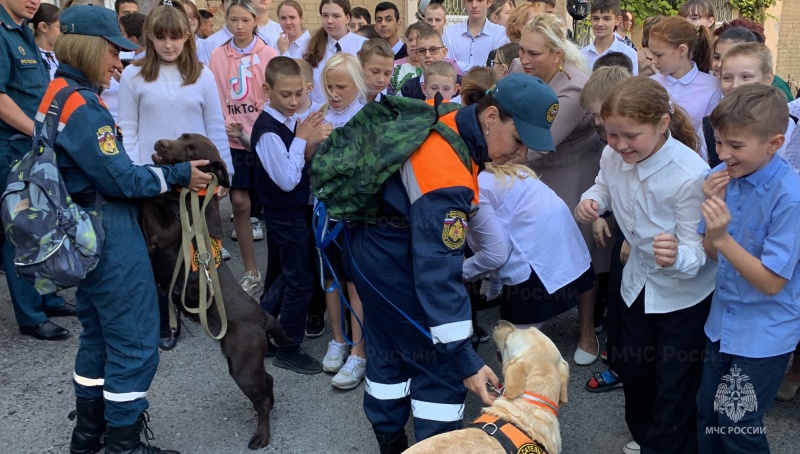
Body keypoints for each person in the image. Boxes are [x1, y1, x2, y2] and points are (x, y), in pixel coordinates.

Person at [345, 72, 556, 452]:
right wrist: (465, 360)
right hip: (395, 265)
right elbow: (438, 272)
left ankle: (389, 439)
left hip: (372, 255)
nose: (521, 154)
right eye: (519, 140)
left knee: (388, 352)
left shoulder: (450, 120)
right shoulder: (446, 171)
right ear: (491, 117)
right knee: (439, 370)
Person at [50, 5, 212, 453]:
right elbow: (120, 177)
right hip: (108, 228)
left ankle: (88, 436)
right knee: (137, 340)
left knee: (99, 335)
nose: (118, 62)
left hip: (81, 226)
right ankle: (124, 445)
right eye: (113, 52)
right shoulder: (84, 106)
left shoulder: (57, 92)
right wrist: (177, 177)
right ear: (88, 47)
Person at [577, 76, 715, 454]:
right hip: (634, 283)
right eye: (611, 134)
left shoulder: (690, 175)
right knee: (635, 373)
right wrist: (592, 201)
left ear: (662, 124)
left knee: (675, 385)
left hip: (681, 297)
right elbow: (604, 185)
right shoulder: (613, 155)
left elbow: (700, 251)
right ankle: (646, 437)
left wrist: (676, 257)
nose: (620, 145)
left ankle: (668, 445)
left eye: (631, 136)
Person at [118, 3, 233, 349]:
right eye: (161, 37)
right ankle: (165, 315)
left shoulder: (202, 74)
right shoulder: (132, 74)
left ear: (187, 36)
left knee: (208, 242)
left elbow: (214, 127)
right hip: (154, 178)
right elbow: (129, 129)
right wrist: (140, 175)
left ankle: (205, 300)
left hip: (198, 175)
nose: (169, 45)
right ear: (150, 37)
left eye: (176, 37)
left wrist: (224, 175)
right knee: (161, 250)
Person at [696, 83, 800, 454]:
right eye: (719, 142)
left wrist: (723, 238)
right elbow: (709, 252)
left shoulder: (790, 196)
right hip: (722, 325)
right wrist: (713, 227)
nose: (723, 154)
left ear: (774, 143)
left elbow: (772, 283)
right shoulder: (725, 178)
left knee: (738, 424)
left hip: (764, 334)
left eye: (735, 145)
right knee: (709, 415)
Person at [516, 13, 606, 366]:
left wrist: (502, 144)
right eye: (521, 50)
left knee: (581, 250)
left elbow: (541, 144)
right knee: (535, 244)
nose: (524, 59)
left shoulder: (573, 87)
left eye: (533, 53)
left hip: (575, 172)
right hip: (533, 169)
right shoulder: (521, 73)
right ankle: (535, 316)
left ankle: (586, 330)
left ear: (557, 54)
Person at [251, 56, 329, 375]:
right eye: (286, 95)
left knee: (286, 274)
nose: (295, 101)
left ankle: (257, 326)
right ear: (267, 89)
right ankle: (288, 346)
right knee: (300, 282)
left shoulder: (288, 121)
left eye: (299, 93)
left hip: (296, 212)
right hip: (285, 215)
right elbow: (286, 179)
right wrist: (301, 140)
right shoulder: (269, 130)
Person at [1, 0, 74, 341]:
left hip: (32, 147)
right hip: (12, 148)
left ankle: (46, 297)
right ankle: (31, 315)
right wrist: (37, 131)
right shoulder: (2, 32)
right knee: (20, 230)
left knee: (43, 222)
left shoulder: (22, 31)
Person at [209, 0, 277, 296]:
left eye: (244, 20)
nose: (238, 26)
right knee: (239, 203)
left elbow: (274, 97)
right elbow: (214, 94)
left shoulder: (268, 53)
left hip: (261, 138)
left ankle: (277, 267)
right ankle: (251, 270)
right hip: (232, 140)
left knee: (272, 204)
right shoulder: (217, 55)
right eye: (233, 20)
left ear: (254, 21)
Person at [577, 66, 631, 395]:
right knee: (618, 299)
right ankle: (619, 358)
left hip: (649, 243)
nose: (596, 123)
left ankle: (626, 364)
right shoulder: (612, 151)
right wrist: (596, 208)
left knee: (632, 307)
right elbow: (606, 186)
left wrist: (636, 241)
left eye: (599, 115)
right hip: (627, 236)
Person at [704, 42, 794, 167]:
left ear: (768, 78)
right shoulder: (709, 123)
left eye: (746, 77)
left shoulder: (786, 125)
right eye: (727, 78)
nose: (735, 85)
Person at [649, 16, 720, 160]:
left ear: (682, 50)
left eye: (659, 55)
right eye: (652, 54)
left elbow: (711, 137)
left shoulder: (712, 87)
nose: (653, 60)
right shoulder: (650, 85)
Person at [711, 20, 795, 101]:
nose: (719, 64)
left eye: (745, 77)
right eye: (717, 57)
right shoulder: (712, 84)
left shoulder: (777, 88)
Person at [303, 0, 367, 104]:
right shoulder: (309, 45)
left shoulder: (363, 45)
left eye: (336, 16)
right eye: (325, 15)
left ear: (347, 18)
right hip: (319, 113)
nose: (329, 21)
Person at [442, 0, 508, 71]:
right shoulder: (450, 32)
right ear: (464, 3)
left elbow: (496, 68)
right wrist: (482, 69)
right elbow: (445, 64)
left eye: (479, 0)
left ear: (489, 2)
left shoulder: (500, 33)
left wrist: (457, 65)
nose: (474, 5)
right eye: (469, 1)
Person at [580, 0, 638, 75]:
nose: (600, 24)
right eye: (596, 18)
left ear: (617, 20)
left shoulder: (628, 53)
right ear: (591, 19)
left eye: (606, 19)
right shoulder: (581, 55)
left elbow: (631, 85)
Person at [359, 38, 394, 102]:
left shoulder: (393, 103)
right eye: (375, 72)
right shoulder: (345, 98)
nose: (381, 80)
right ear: (360, 66)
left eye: (387, 73)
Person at [32, 3, 60, 80]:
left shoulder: (61, 56)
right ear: (43, 27)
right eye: (60, 27)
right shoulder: (31, 56)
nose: (63, 32)